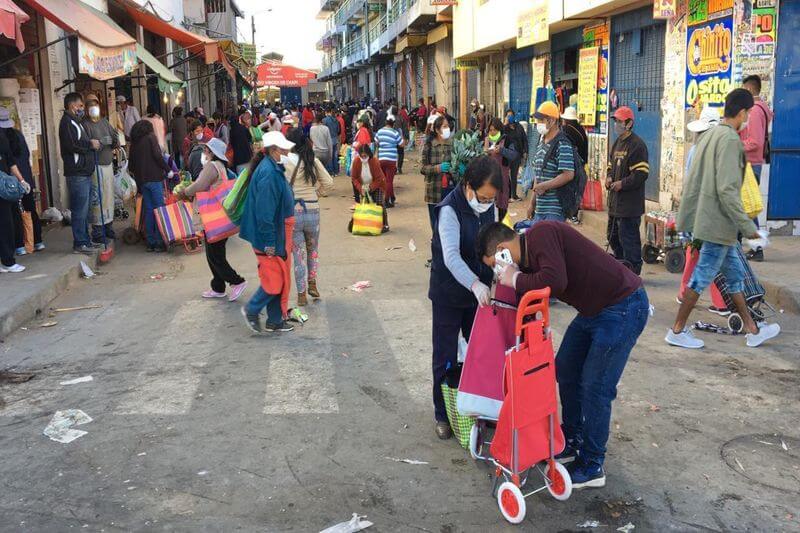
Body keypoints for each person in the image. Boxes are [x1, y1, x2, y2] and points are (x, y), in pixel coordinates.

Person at [477, 220, 650, 489]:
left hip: (623, 306)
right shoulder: (529, 259)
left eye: (494, 264)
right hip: (595, 310)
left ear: (502, 251)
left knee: (596, 387)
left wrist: (515, 278)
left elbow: (555, 282)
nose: (497, 271)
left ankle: (593, 464)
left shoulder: (541, 234)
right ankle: (572, 439)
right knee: (566, 368)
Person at [666, 88, 781, 350]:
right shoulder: (729, 140)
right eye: (749, 114)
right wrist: (749, 229)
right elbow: (728, 190)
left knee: (735, 276)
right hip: (717, 224)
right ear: (742, 113)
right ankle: (677, 330)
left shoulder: (710, 135)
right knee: (701, 278)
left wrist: (688, 218)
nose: (750, 118)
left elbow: (694, 180)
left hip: (710, 222)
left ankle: (752, 329)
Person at [429, 156, 502, 439]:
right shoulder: (450, 209)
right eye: (483, 197)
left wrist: (498, 272)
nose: (486, 203)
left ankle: (478, 411)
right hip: (449, 292)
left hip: (478, 295)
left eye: (491, 198)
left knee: (479, 353)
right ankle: (442, 414)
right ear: (469, 186)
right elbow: (450, 256)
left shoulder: (489, 206)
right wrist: (475, 284)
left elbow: (492, 243)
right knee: (445, 356)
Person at [240, 131, 297, 333]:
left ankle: (275, 321)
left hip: (274, 233)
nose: (285, 151)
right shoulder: (269, 173)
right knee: (274, 281)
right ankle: (252, 309)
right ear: (273, 150)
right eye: (282, 149)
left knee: (278, 276)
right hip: (268, 235)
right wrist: (270, 243)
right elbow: (265, 214)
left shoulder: (271, 168)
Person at [177, 137, 247, 301]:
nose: (204, 152)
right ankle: (218, 287)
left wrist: (184, 192)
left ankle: (237, 281)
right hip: (219, 216)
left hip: (213, 218)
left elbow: (199, 186)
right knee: (213, 253)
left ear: (212, 152)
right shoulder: (221, 166)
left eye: (206, 149)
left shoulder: (211, 166)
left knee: (215, 256)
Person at [283, 128, 334, 307]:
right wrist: (315, 195)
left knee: (298, 255)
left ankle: (301, 294)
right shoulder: (312, 160)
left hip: (293, 212)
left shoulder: (284, 161)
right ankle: (313, 283)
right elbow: (329, 183)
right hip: (313, 211)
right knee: (313, 250)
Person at [606, 106, 649, 275]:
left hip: (629, 206)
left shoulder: (637, 146)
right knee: (613, 236)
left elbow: (641, 174)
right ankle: (622, 269)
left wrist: (622, 184)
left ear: (629, 123)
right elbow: (611, 165)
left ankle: (634, 273)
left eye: (619, 121)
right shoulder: (617, 143)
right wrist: (609, 177)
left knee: (629, 240)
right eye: (615, 121)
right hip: (615, 204)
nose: (616, 124)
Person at [59, 92, 101, 254]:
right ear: (73, 106)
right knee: (79, 209)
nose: (83, 108)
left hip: (85, 172)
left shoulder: (77, 122)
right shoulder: (67, 123)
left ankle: (86, 240)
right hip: (77, 173)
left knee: (86, 209)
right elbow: (71, 146)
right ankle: (80, 243)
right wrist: (90, 145)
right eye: (81, 106)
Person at [740, 74, 773, 262]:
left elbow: (755, 142)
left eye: (744, 90)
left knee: (747, 208)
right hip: (751, 164)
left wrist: (735, 145)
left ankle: (757, 247)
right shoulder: (758, 110)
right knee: (745, 208)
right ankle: (748, 245)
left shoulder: (755, 111)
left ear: (751, 90)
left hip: (750, 164)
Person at [526, 101, 575, 225]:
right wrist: (532, 203)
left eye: (541, 120)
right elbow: (539, 174)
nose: (538, 124)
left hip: (555, 209)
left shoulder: (562, 143)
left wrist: (544, 186)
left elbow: (568, 174)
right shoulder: (542, 141)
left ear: (552, 121)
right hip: (540, 210)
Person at [128, 120, 171, 252]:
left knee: (149, 211)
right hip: (154, 179)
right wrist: (168, 169)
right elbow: (158, 156)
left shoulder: (134, 144)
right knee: (159, 210)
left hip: (143, 182)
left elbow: (131, 166)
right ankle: (159, 242)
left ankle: (150, 242)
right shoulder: (150, 138)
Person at [82, 94, 119, 243]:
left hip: (108, 164)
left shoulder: (104, 122)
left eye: (95, 105)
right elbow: (85, 144)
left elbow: (115, 138)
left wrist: (114, 139)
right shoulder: (84, 125)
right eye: (90, 105)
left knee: (109, 198)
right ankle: (97, 231)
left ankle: (108, 226)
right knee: (98, 199)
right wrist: (100, 143)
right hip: (95, 166)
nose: (93, 108)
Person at [0, 113, 30, 272]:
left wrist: (22, 180)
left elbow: (11, 163)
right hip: (3, 187)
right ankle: (7, 261)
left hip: (4, 188)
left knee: (7, 222)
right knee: (6, 223)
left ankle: (7, 259)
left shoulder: (4, 140)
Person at [420, 115, 454, 230]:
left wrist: (457, 168)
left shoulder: (452, 145)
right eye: (444, 126)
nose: (447, 129)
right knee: (435, 223)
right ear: (437, 129)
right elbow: (423, 168)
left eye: (448, 126)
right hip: (434, 190)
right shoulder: (429, 145)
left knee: (448, 222)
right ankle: (436, 243)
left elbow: (455, 164)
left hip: (449, 189)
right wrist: (438, 168)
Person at [484, 117, 518, 221]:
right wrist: (485, 151)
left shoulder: (507, 140)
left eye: (495, 130)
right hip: (489, 178)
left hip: (503, 179)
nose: (492, 132)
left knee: (502, 208)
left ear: (499, 129)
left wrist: (502, 150)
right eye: (490, 130)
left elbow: (514, 155)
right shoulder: (487, 140)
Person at [350, 144, 389, 232]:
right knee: (366, 206)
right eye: (362, 156)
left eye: (365, 156)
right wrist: (361, 188)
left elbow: (379, 178)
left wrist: (370, 188)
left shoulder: (374, 161)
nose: (363, 158)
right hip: (363, 186)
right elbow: (354, 178)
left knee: (379, 203)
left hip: (377, 184)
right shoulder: (356, 161)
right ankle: (368, 224)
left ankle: (385, 224)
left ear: (369, 154)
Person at [375, 113, 404, 208]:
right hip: (391, 159)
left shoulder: (379, 131)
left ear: (385, 122)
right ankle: (386, 200)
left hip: (381, 158)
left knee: (383, 180)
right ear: (393, 123)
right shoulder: (395, 133)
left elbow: (376, 141)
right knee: (389, 181)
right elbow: (401, 144)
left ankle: (391, 197)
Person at [503, 110, 527, 201]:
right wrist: (505, 125)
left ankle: (514, 195)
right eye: (508, 116)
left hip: (517, 154)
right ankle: (507, 196)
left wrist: (525, 152)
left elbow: (524, 139)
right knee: (505, 175)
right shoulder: (505, 128)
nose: (510, 117)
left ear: (514, 116)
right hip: (506, 155)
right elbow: (501, 136)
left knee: (514, 175)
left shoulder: (519, 127)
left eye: (511, 115)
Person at [322, 108, 340, 175]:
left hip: (328, 140)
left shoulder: (324, 120)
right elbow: (338, 131)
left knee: (329, 156)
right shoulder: (336, 120)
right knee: (335, 156)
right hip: (335, 140)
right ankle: (336, 171)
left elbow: (323, 131)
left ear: (326, 112)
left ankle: (330, 171)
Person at [397, 105, 410, 172]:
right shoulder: (402, 118)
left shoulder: (390, 119)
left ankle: (395, 168)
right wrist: (406, 138)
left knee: (393, 154)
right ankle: (399, 167)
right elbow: (405, 129)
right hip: (400, 139)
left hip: (392, 139)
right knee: (401, 153)